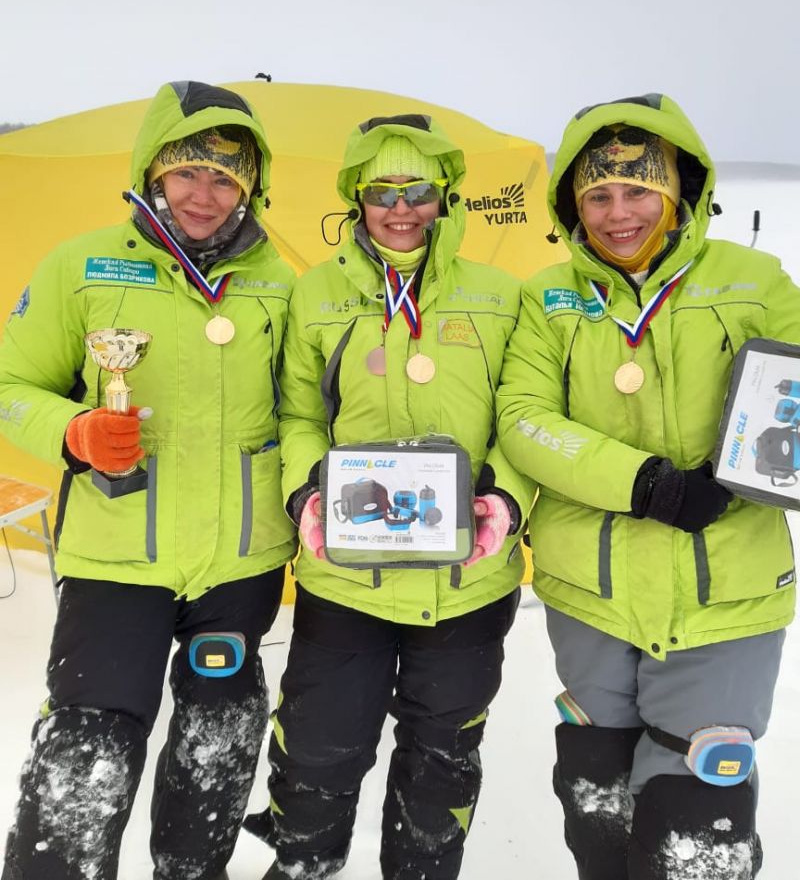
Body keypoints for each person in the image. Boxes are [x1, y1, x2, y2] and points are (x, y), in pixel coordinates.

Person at [495, 92, 800, 880]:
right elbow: (524, 418)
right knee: (597, 805)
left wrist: (749, 467)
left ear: (679, 191)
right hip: (592, 593)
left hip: (726, 589)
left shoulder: (755, 280)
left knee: (697, 820)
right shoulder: (547, 297)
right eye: (598, 194)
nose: (619, 213)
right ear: (572, 204)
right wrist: (645, 483)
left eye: (639, 190)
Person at [0, 80, 297, 880]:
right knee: (87, 748)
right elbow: (9, 386)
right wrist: (73, 432)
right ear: (152, 170)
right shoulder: (81, 264)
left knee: (219, 742)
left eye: (224, 178)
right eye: (187, 171)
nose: (204, 194)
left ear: (251, 186)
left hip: (240, 561)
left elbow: (308, 408)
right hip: (114, 557)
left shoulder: (281, 281)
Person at [243, 113, 536, 879]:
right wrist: (308, 490)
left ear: (447, 198)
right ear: (356, 198)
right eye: (381, 192)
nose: (400, 209)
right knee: (318, 746)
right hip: (347, 577)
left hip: (468, 581)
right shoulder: (315, 294)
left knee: (442, 760)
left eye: (417, 191)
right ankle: (302, 865)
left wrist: (505, 501)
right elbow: (298, 417)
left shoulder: (504, 296)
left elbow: (526, 419)